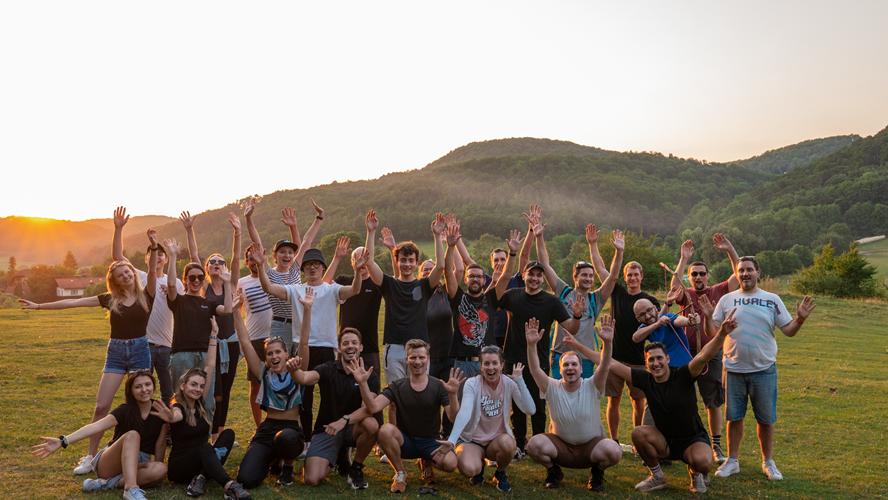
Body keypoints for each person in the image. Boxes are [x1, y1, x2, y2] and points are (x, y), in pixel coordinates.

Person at [20, 225, 160, 475]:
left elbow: (151, 270)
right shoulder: (109, 299)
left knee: (141, 403)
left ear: (133, 273)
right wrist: (39, 306)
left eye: (128, 271)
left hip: (140, 350)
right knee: (101, 407)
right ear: (114, 280)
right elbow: (73, 302)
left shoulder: (146, 294)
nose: (126, 276)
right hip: (116, 352)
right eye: (120, 274)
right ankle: (90, 456)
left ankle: (139, 452)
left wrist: (153, 244)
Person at [706, 256, 817, 481]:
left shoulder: (772, 299)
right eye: (741, 271)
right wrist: (709, 316)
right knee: (734, 417)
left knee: (766, 419)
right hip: (733, 369)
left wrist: (801, 319)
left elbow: (788, 331)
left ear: (758, 272)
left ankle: (768, 462)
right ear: (737, 274)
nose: (745, 274)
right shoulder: (727, 300)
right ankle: (732, 461)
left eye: (749, 270)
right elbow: (711, 332)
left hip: (764, 370)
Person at [253, 241, 364, 455]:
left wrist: (358, 270)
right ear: (302, 269)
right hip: (302, 348)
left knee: (330, 395)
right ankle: (306, 440)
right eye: (308, 265)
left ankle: (334, 438)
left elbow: (355, 289)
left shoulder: (332, 290)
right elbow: (268, 287)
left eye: (316, 264)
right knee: (303, 396)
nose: (312, 268)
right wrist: (260, 265)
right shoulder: (296, 290)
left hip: (326, 349)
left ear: (323, 267)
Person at [495, 227, 582, 459]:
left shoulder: (552, 301)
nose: (534, 278)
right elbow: (491, 303)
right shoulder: (512, 296)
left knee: (538, 406)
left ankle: (540, 442)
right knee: (516, 406)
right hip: (513, 359)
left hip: (539, 361)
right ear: (523, 276)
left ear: (543, 278)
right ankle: (520, 446)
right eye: (530, 274)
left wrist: (577, 315)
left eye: (538, 275)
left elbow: (571, 328)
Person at [151, 318, 252, 499]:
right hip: (180, 468)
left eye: (200, 386)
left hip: (200, 461)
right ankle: (230, 486)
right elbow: (175, 416)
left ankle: (200, 478)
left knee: (227, 434)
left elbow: (210, 365)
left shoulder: (201, 402)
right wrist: (169, 417)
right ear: (183, 386)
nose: (197, 389)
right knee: (206, 448)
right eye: (193, 385)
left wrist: (213, 336)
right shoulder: (178, 407)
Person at [31, 371, 168, 500]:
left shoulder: (159, 410)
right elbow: (96, 426)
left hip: (139, 462)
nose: (144, 390)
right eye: (138, 387)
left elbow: (160, 443)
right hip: (111, 462)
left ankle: (104, 484)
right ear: (131, 391)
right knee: (132, 435)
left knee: (160, 469)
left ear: (153, 387)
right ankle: (130, 489)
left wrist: (156, 465)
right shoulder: (125, 410)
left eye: (147, 385)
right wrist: (63, 441)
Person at [351, 339, 464, 493]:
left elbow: (452, 418)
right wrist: (363, 384)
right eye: (413, 358)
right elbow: (373, 407)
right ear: (407, 360)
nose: (417, 362)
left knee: (451, 464)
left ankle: (426, 462)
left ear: (428, 359)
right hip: (405, 442)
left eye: (422, 357)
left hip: (430, 442)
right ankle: (400, 473)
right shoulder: (396, 386)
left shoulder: (439, 385)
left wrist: (453, 394)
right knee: (385, 430)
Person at [233, 275, 314, 489]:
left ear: (286, 354)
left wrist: (307, 309)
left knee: (285, 439)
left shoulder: (297, 369)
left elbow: (304, 340)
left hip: (290, 430)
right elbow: (245, 342)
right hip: (268, 428)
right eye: (270, 353)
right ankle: (272, 459)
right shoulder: (263, 372)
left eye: (278, 352)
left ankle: (287, 466)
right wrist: (236, 310)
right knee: (246, 479)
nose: (274, 356)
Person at [524, 317, 622, 492]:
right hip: (561, 449)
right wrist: (531, 345)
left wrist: (607, 342)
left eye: (574, 364)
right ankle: (554, 471)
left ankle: (597, 473)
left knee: (614, 451)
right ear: (560, 370)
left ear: (581, 369)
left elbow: (605, 365)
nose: (570, 368)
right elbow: (535, 370)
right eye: (566, 365)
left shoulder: (593, 385)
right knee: (533, 445)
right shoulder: (552, 387)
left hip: (591, 449)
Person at [666, 234, 740, 463]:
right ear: (690, 277)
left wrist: (730, 250)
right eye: (694, 274)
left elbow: (738, 275)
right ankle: (675, 441)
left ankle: (716, 447)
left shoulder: (717, 291)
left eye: (701, 273)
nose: (698, 277)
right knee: (678, 398)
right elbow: (673, 285)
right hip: (685, 354)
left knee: (712, 401)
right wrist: (683, 259)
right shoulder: (684, 293)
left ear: (708, 276)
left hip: (712, 354)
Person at [587, 224, 660, 443]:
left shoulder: (650, 302)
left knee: (639, 402)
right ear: (625, 277)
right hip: (615, 358)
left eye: (636, 274)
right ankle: (615, 440)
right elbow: (600, 269)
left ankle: (639, 440)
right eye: (629, 274)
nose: (632, 278)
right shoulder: (617, 292)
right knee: (613, 400)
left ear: (642, 276)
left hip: (639, 360)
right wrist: (593, 245)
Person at [534, 213, 623, 380]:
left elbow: (613, 277)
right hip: (560, 355)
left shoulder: (596, 298)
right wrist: (538, 236)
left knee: (583, 401)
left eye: (591, 276)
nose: (589, 279)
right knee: (559, 399)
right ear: (575, 277)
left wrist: (619, 252)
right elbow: (545, 264)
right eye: (584, 275)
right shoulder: (563, 291)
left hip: (585, 358)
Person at [434, 346, 534, 492]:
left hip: (496, 440)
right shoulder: (472, 383)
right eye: (486, 363)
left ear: (502, 365)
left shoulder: (508, 383)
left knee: (509, 444)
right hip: (472, 440)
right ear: (480, 366)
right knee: (468, 469)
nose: (490, 367)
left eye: (494, 363)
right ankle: (478, 466)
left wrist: (520, 381)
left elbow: (530, 409)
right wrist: (451, 440)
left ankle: (500, 473)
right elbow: (465, 412)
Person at [363, 210, 445, 386]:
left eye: (410, 260)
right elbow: (369, 262)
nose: (406, 264)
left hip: (419, 349)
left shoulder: (424, 285)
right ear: (397, 261)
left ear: (416, 262)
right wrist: (370, 232)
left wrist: (437, 235)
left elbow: (440, 266)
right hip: (394, 349)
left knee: (420, 392)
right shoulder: (388, 284)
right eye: (403, 260)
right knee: (395, 396)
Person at [112, 206, 185, 405]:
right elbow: (118, 257)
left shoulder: (175, 283)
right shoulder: (140, 278)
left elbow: (183, 310)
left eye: (162, 253)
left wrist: (171, 292)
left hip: (167, 345)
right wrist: (118, 228)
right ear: (148, 258)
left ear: (167, 258)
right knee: (139, 391)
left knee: (168, 392)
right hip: (144, 346)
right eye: (155, 253)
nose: (158, 256)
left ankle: (167, 431)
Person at [181, 211, 243, 441]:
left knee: (225, 391)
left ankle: (219, 433)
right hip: (212, 345)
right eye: (212, 262)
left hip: (232, 343)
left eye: (220, 262)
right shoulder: (203, 286)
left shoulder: (231, 283)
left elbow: (237, 258)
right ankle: (207, 428)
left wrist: (238, 232)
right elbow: (194, 255)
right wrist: (189, 230)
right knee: (213, 390)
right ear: (206, 268)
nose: (217, 264)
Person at [295, 327, 380, 489]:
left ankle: (356, 468)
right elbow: (304, 378)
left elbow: (369, 408)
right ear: (339, 348)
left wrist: (344, 420)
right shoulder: (327, 368)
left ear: (361, 347)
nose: (350, 346)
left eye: (354, 343)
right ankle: (337, 454)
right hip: (327, 429)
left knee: (372, 425)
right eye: (345, 343)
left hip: (352, 427)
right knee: (311, 480)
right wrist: (294, 371)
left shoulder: (370, 375)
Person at [163, 237, 232, 424]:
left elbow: (227, 310)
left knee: (207, 401)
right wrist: (173, 255)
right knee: (181, 400)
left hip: (205, 355)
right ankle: (181, 438)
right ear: (185, 280)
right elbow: (170, 285)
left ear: (203, 280)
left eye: (200, 278)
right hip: (181, 355)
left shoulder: (208, 304)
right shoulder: (178, 300)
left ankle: (204, 442)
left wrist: (227, 283)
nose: (196, 280)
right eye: (191, 277)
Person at [243, 197, 323, 354]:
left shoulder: (294, 269)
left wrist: (318, 217)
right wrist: (248, 218)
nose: (287, 255)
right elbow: (256, 241)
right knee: (280, 363)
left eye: (290, 252)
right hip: (280, 325)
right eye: (282, 252)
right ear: (274, 256)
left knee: (300, 364)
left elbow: (306, 242)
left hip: (300, 322)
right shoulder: (269, 272)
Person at [324, 237, 384, 426]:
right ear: (351, 262)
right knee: (342, 389)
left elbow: (396, 281)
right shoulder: (344, 281)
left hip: (370, 348)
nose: (360, 262)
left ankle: (378, 434)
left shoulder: (376, 284)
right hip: (346, 347)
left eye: (364, 258)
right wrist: (336, 257)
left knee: (374, 391)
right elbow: (324, 284)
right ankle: (343, 431)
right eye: (356, 258)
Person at [453, 210, 535, 348]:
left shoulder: (518, 280)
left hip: (514, 334)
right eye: (496, 260)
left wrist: (531, 229)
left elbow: (525, 254)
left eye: (503, 259)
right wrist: (456, 238)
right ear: (491, 263)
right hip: (490, 334)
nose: (500, 262)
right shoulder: (484, 280)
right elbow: (467, 260)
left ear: (509, 259)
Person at [236, 243, 274, 428]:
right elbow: (237, 312)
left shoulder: (273, 276)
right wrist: (242, 340)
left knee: (278, 382)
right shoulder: (242, 283)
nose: (253, 262)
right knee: (256, 385)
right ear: (246, 261)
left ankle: (275, 423)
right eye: (250, 258)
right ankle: (259, 428)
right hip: (254, 339)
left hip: (276, 338)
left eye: (256, 257)